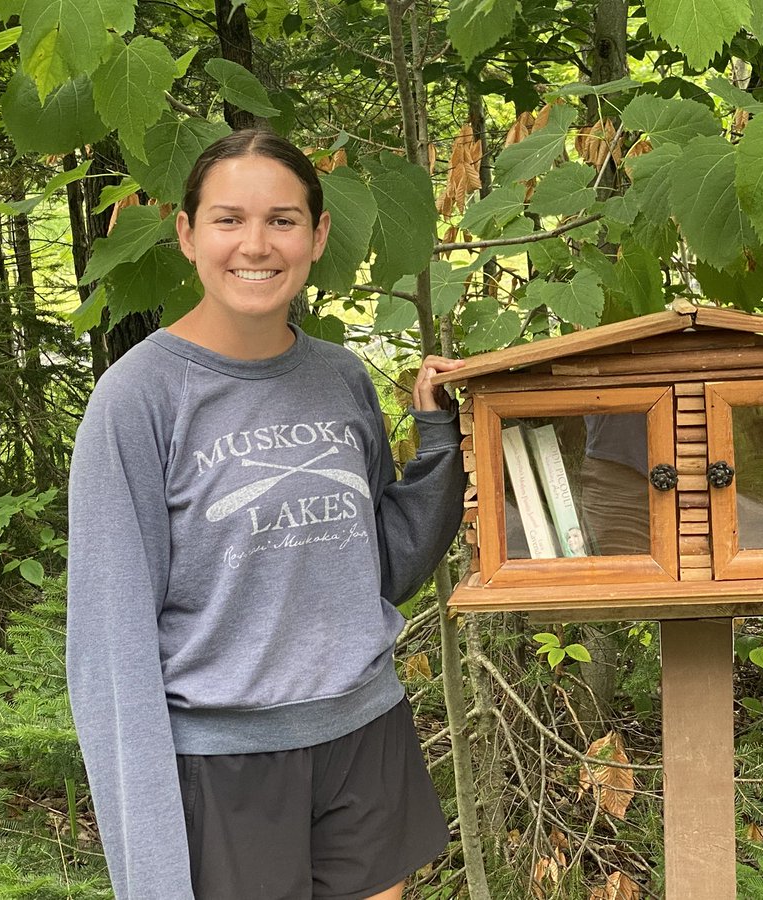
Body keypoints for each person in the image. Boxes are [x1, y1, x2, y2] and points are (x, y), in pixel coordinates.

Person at [66, 129, 466, 900]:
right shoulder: (138, 401)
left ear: (318, 235)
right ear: (187, 234)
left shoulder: (339, 378)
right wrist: (149, 869)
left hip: (364, 736)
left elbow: (377, 568)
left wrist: (438, 440)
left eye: (282, 220)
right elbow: (108, 651)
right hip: (223, 766)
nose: (256, 244)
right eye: (228, 219)